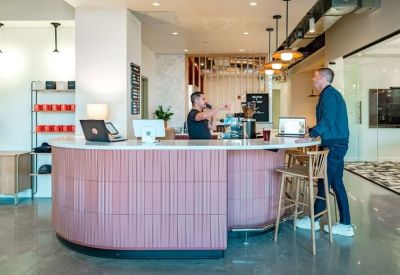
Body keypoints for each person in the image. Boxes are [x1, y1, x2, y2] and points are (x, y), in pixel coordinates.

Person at [295, 68, 354, 237]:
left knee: (324, 182)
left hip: (334, 145)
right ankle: (344, 223)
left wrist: (311, 135)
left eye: (314, 76)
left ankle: (315, 221)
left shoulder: (329, 95)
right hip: (336, 143)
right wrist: (312, 130)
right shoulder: (329, 94)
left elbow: (328, 120)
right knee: (335, 183)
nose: (312, 79)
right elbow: (329, 120)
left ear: (322, 78)